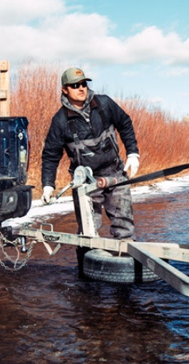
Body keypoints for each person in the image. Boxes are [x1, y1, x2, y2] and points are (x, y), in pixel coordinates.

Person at [40, 67, 140, 240]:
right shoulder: (60, 120)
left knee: (124, 228)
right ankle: (86, 266)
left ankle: (126, 261)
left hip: (115, 174)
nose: (81, 88)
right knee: (88, 233)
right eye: (75, 85)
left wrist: (133, 153)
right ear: (64, 89)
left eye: (84, 84)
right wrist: (48, 185)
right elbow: (50, 155)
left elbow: (125, 123)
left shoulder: (104, 104)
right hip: (85, 183)